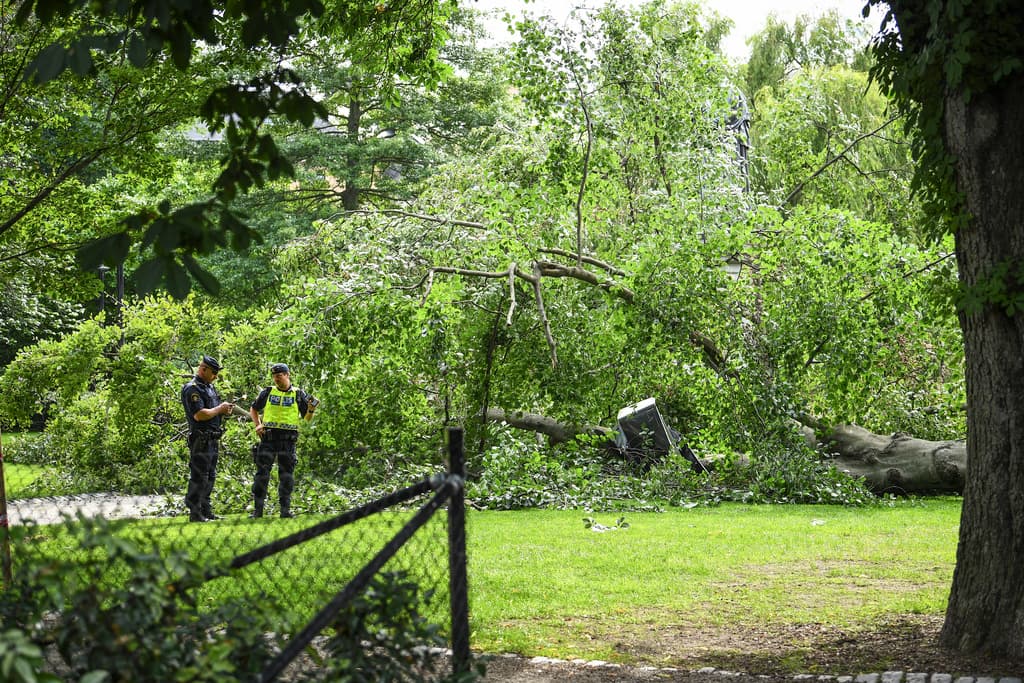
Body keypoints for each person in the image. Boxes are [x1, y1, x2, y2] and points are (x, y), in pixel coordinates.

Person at [248, 363, 318, 518]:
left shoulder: (298, 394)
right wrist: (258, 425)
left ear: (287, 375)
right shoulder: (268, 392)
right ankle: (257, 511)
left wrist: (312, 409)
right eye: (274, 376)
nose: (276, 379)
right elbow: (253, 408)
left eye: (279, 376)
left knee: (286, 476)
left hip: (288, 441)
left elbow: (306, 418)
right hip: (268, 439)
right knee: (262, 475)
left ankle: (285, 511)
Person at [181, 355, 234, 522]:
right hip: (201, 439)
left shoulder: (209, 388)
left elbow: (213, 412)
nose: (216, 376)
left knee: (210, 476)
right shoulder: (193, 388)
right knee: (200, 476)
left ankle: (206, 510)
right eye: (214, 372)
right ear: (203, 369)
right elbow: (199, 415)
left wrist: (224, 411)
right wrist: (220, 408)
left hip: (212, 439)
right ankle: (195, 513)